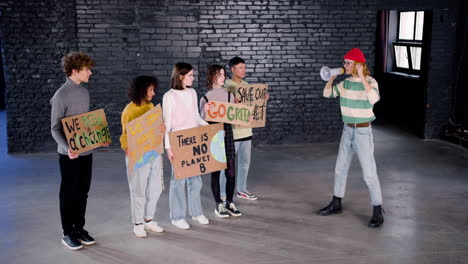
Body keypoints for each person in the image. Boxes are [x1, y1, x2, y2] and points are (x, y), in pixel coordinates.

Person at [318, 48, 384, 228]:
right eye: (344, 62)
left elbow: (374, 99)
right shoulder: (345, 83)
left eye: (348, 62)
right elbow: (327, 94)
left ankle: (378, 210)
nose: (344, 65)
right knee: (340, 168)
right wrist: (331, 77)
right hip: (347, 131)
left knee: (369, 173)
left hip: (363, 132)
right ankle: (336, 203)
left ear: (358, 65)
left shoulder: (370, 81)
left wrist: (362, 78)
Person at [51, 51, 99, 250]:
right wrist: (67, 147)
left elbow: (83, 125)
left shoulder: (84, 92)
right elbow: (55, 128)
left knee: (83, 192)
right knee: (68, 194)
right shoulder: (61, 95)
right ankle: (67, 233)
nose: (90, 73)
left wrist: (98, 137)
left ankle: (79, 228)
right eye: (87, 69)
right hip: (69, 155)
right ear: (75, 71)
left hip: (86, 153)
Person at [163, 62, 210, 229]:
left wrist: (211, 129)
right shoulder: (169, 96)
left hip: (194, 140)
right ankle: (177, 216)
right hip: (178, 142)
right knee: (178, 180)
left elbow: (196, 117)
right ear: (180, 76)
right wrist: (168, 148)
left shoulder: (192, 93)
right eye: (190, 75)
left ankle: (196, 212)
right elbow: (166, 125)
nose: (193, 78)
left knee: (196, 180)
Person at [120, 75, 166, 238]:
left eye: (154, 89)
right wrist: (127, 149)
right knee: (138, 190)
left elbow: (155, 127)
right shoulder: (129, 111)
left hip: (154, 153)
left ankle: (149, 219)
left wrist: (161, 128)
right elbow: (125, 135)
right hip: (138, 156)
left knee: (156, 188)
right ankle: (138, 223)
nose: (153, 93)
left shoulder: (151, 106)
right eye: (151, 90)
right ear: (141, 90)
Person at [220, 56, 269, 201]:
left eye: (244, 67)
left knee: (244, 163)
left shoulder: (247, 86)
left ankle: (241, 190)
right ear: (232, 69)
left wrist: (262, 99)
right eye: (240, 67)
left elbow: (253, 107)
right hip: (233, 133)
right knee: (228, 165)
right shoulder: (226, 86)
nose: (243, 70)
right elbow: (222, 108)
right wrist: (231, 101)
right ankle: (223, 193)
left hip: (247, 131)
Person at [200, 64, 242, 218]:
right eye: (220, 74)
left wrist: (246, 115)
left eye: (224, 74)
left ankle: (229, 202)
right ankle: (218, 204)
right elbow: (200, 123)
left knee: (231, 172)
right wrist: (205, 112)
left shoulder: (230, 95)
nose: (223, 77)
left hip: (228, 135)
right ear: (212, 76)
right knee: (216, 172)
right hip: (215, 138)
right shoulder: (205, 98)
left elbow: (239, 115)